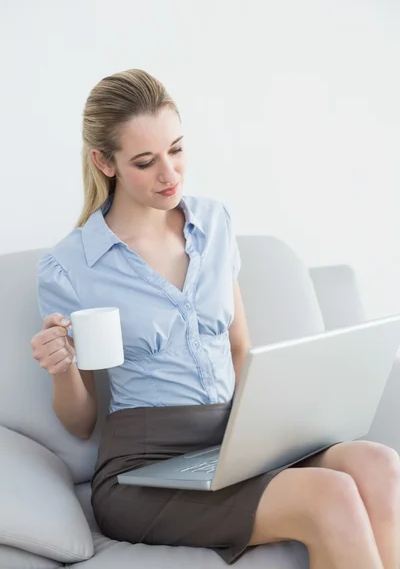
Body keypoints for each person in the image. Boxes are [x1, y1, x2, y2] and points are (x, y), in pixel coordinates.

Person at [30, 68, 400, 568]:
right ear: (104, 162)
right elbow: (81, 423)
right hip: (144, 469)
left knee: (379, 464)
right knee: (327, 497)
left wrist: (269, 429)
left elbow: (239, 347)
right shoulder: (71, 267)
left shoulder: (214, 223)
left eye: (176, 149)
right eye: (145, 161)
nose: (170, 174)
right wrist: (62, 369)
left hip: (233, 443)